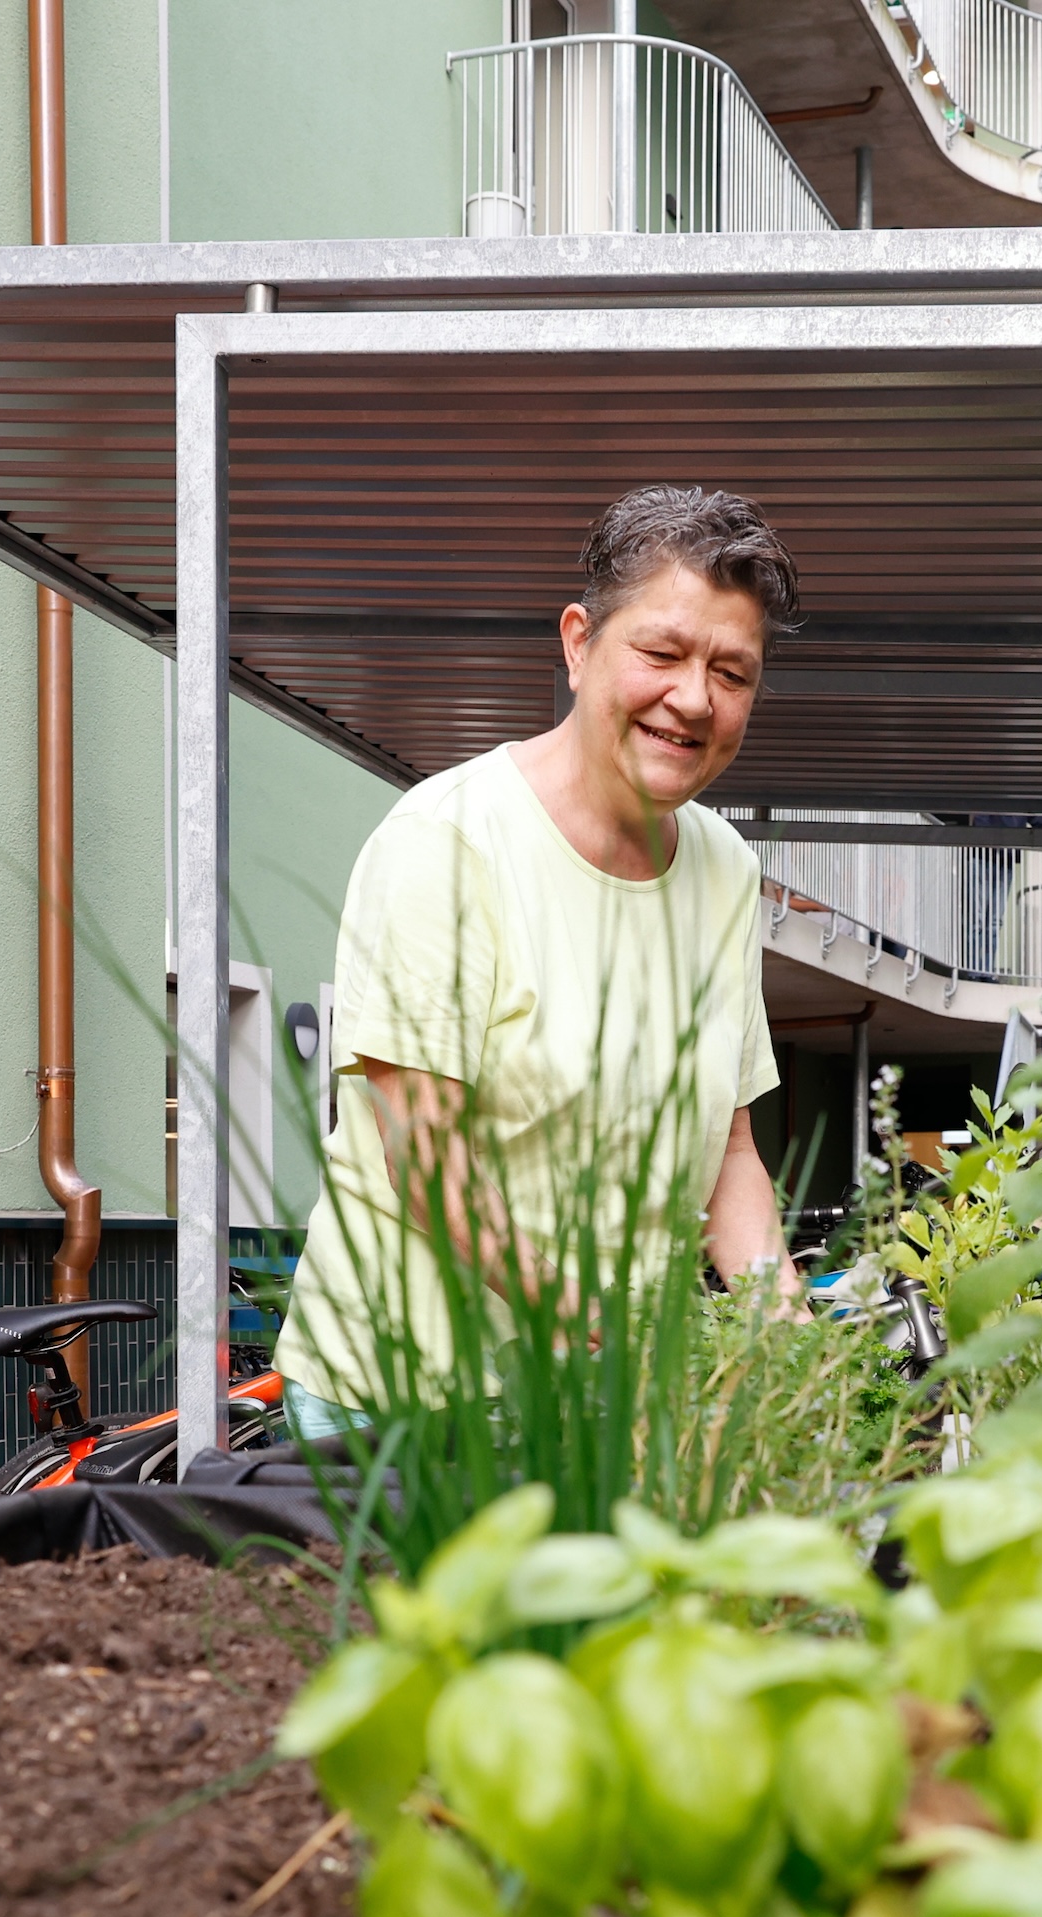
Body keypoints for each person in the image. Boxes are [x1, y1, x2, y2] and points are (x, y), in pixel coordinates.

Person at [272, 486, 797, 1436]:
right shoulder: (448, 840)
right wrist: (595, 1323)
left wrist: (789, 1334)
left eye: (734, 672)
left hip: (600, 1394)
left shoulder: (725, 868)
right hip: (408, 1406)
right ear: (578, 642)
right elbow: (424, 1155)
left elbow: (730, 1153)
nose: (695, 699)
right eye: (663, 652)